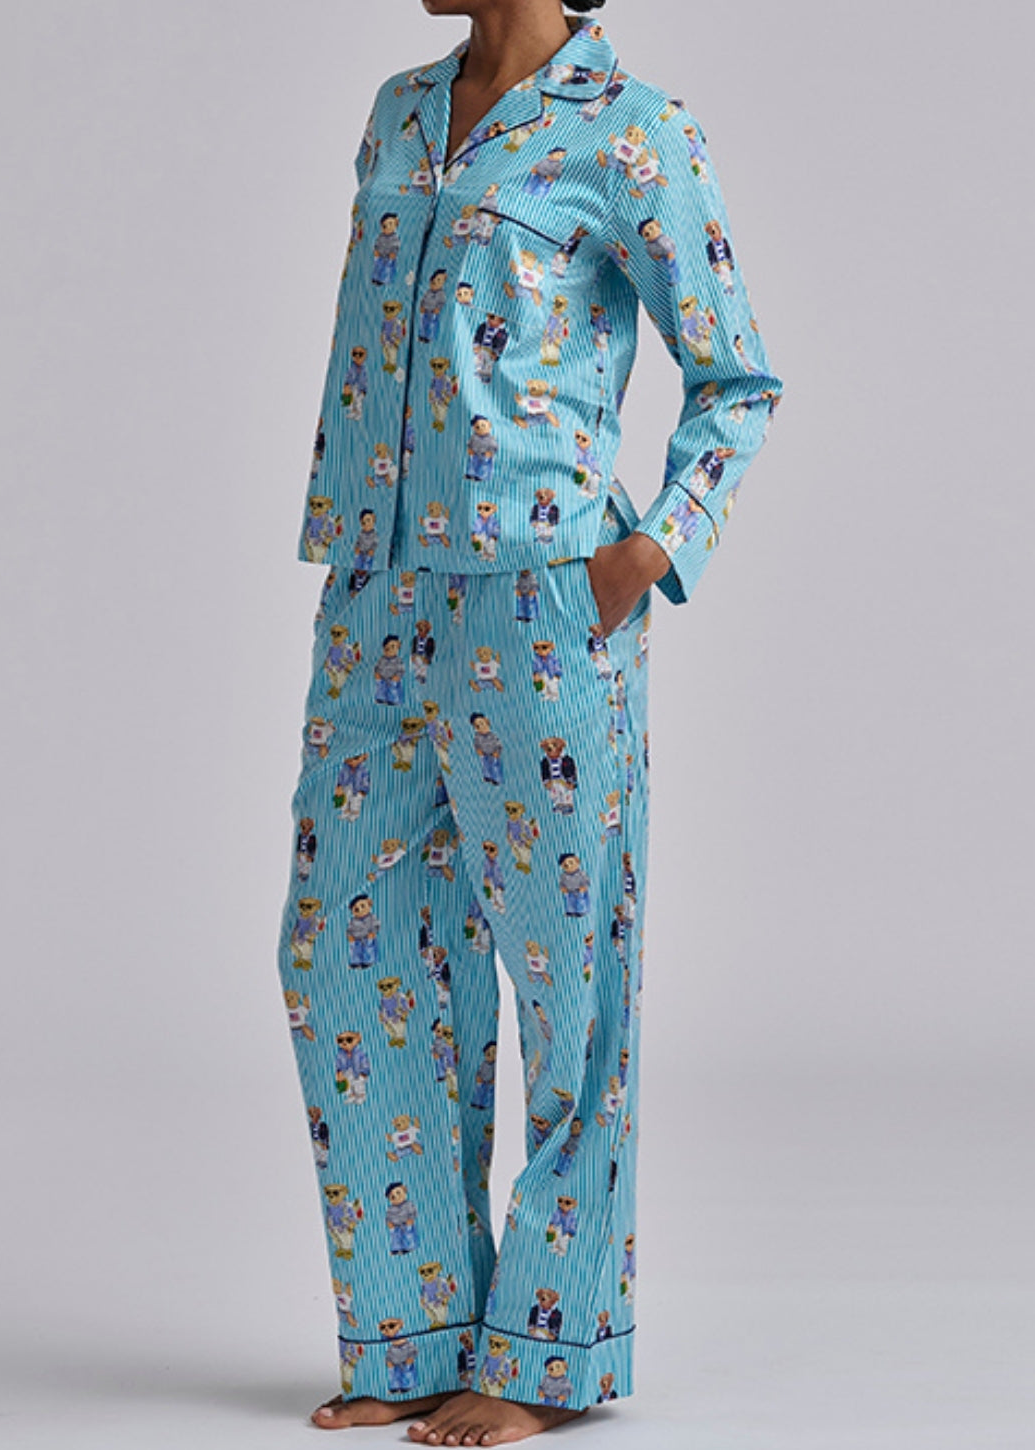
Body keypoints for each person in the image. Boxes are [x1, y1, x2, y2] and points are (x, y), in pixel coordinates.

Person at [276, 0, 784, 1443]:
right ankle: (416, 1332)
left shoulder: (635, 130)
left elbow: (738, 376)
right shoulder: (398, 110)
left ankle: (547, 1355)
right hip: (373, 594)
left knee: (571, 990)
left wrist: (651, 548)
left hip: (540, 602)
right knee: (342, 953)